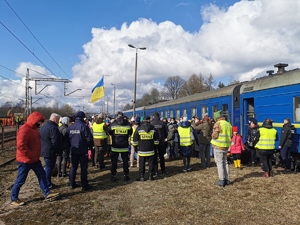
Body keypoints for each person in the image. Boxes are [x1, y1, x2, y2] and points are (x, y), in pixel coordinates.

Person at [10, 111, 59, 206]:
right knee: (21, 179)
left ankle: (47, 193)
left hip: (34, 159)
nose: (40, 124)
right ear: (34, 120)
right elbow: (21, 145)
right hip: (25, 160)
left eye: (41, 122)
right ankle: (14, 198)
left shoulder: (34, 129)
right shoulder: (24, 129)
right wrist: (30, 154)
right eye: (39, 121)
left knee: (42, 176)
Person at [67, 111, 94, 191]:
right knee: (83, 168)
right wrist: (90, 147)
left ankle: (72, 183)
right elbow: (89, 138)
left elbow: (67, 139)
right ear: (83, 118)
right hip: (82, 150)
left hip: (73, 149)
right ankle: (84, 185)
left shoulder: (71, 127)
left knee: (73, 167)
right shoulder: (84, 126)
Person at [133, 116, 159, 181]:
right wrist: (155, 147)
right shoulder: (153, 128)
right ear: (148, 120)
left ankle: (141, 176)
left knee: (142, 163)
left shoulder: (139, 128)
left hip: (142, 149)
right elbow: (156, 139)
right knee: (151, 163)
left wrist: (136, 147)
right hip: (151, 149)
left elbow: (135, 139)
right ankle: (151, 176)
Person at [108, 112, 132, 182]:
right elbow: (130, 133)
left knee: (114, 162)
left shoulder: (113, 124)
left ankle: (113, 175)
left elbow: (110, 132)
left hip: (115, 146)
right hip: (124, 146)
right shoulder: (127, 124)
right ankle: (126, 175)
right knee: (125, 161)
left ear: (117, 116)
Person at [40, 113, 62, 189]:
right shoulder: (53, 128)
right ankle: (47, 183)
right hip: (50, 151)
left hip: (44, 149)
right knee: (49, 167)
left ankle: (46, 182)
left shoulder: (43, 126)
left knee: (47, 167)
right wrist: (57, 151)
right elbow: (55, 141)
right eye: (58, 120)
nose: (59, 122)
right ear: (55, 119)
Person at [211, 116, 232, 187]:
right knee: (225, 162)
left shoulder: (218, 124)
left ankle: (221, 180)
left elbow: (215, 135)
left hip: (218, 145)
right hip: (226, 145)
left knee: (219, 163)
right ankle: (227, 179)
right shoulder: (228, 124)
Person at [150, 112, 168, 176]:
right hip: (161, 142)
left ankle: (155, 171)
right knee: (161, 157)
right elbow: (166, 132)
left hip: (154, 142)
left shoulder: (151, 123)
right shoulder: (162, 123)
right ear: (158, 116)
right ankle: (163, 170)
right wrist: (164, 138)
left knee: (154, 157)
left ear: (153, 116)